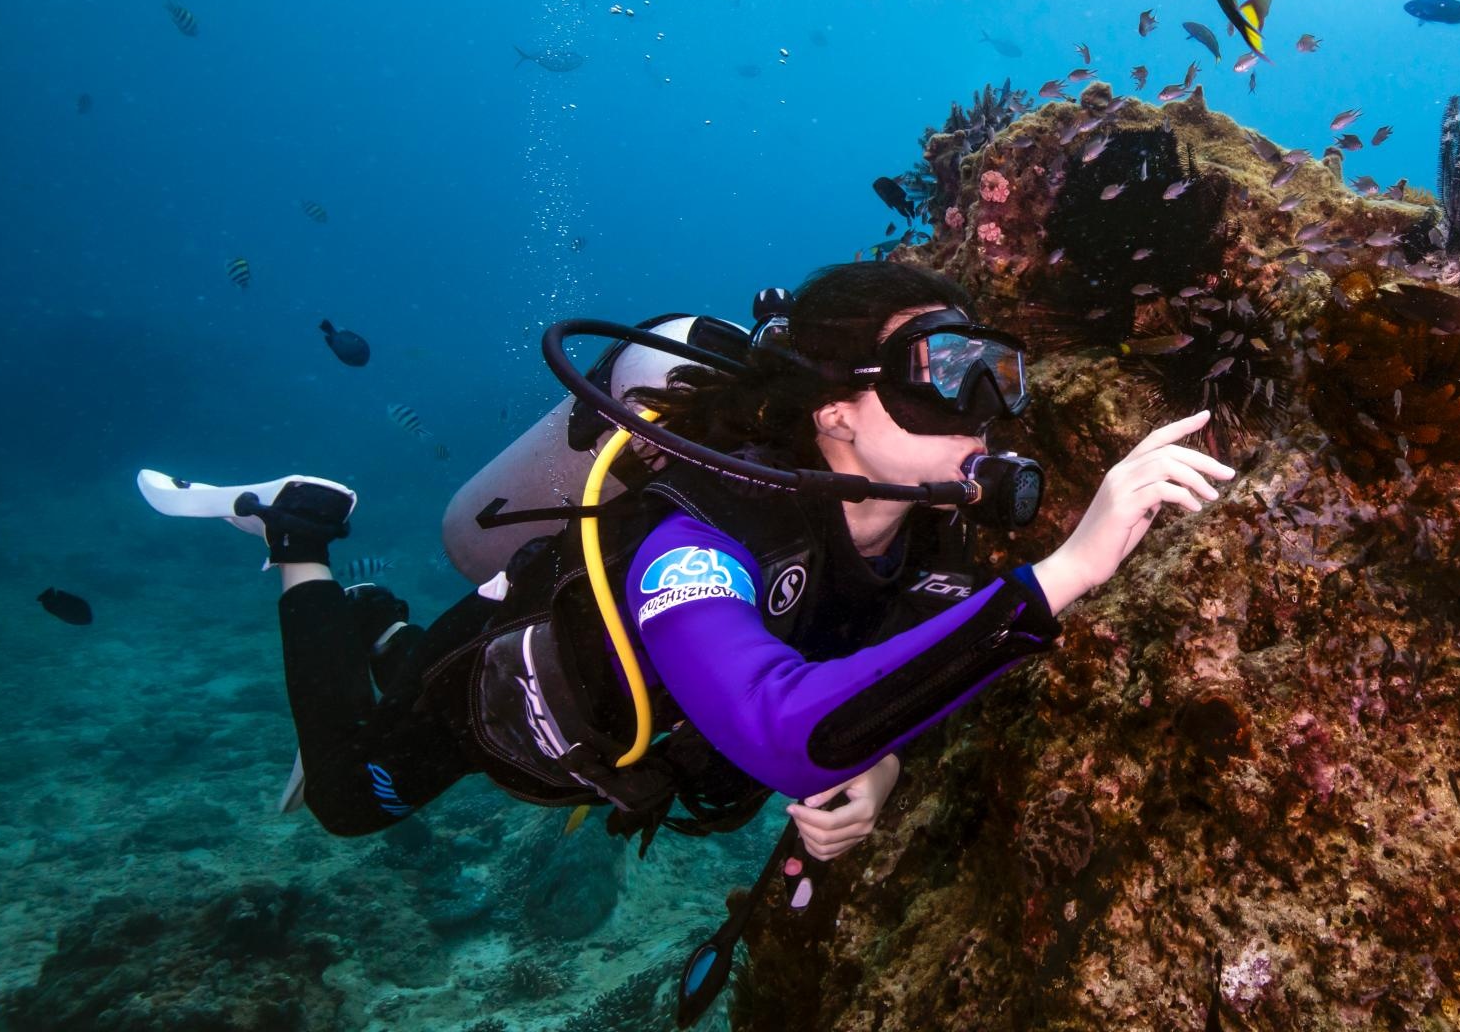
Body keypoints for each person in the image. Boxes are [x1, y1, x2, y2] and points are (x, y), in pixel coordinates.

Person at [165, 262, 1234, 870]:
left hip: (617, 736)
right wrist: (1075, 564)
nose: (988, 409)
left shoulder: (927, 540)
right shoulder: (699, 536)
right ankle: (302, 541)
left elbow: (872, 692)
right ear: (834, 411)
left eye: (998, 374)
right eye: (943, 374)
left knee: (388, 675)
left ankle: (379, 615)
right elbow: (783, 724)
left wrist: (879, 772)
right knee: (351, 798)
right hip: (505, 701)